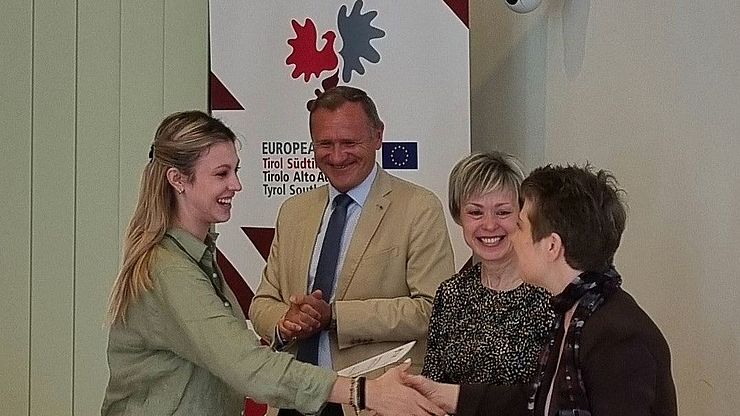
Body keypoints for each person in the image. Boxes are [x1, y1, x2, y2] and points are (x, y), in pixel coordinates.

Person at [101, 110, 445, 416]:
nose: (236, 185)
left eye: (235, 171)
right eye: (222, 174)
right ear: (178, 180)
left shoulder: (196, 258)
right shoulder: (169, 269)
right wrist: (362, 390)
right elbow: (247, 365)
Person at [403, 164, 677, 416]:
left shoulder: (617, 335)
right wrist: (449, 395)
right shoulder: (576, 309)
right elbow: (538, 399)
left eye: (519, 225)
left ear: (551, 247)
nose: (512, 235)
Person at [248, 86, 455, 414]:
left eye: (349, 143)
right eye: (325, 144)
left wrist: (336, 317)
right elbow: (262, 302)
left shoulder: (418, 208)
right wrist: (286, 322)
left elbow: (434, 310)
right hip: (294, 397)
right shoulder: (293, 211)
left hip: (376, 401)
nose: (337, 155)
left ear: (378, 136)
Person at [422, 152, 553, 385]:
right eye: (475, 212)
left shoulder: (549, 294)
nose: (490, 225)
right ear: (458, 216)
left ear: (523, 217)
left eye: (503, 212)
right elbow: (433, 383)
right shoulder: (451, 293)